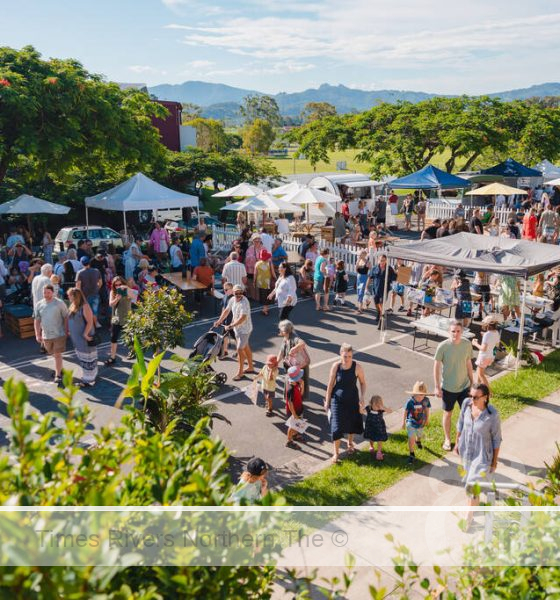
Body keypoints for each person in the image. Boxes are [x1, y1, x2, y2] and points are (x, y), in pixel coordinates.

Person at [455, 383, 502, 530]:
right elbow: (460, 423)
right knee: (469, 485)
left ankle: (468, 518)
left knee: (472, 485)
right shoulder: (466, 404)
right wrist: (457, 442)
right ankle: (471, 509)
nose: (472, 399)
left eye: (475, 397)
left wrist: (494, 462)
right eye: (470, 395)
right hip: (466, 452)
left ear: (485, 397)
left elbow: (497, 439)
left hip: (482, 456)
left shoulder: (492, 415)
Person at [433, 320, 474, 451]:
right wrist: (437, 387)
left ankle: (464, 438)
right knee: (447, 414)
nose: (455, 334)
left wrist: (473, 383)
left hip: (464, 387)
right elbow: (436, 367)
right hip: (448, 388)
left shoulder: (467, 344)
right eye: (453, 331)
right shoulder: (443, 346)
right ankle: (447, 439)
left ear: (462, 332)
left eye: (458, 331)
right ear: (448, 332)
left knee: (468, 414)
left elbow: (468, 363)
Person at [324, 343, 366, 464]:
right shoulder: (336, 366)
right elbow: (330, 384)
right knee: (336, 427)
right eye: (345, 356)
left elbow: (363, 383)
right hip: (337, 400)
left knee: (351, 423)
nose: (347, 359)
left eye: (349, 356)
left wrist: (362, 397)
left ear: (352, 356)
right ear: (340, 354)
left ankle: (350, 442)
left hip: (353, 399)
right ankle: (336, 453)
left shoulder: (357, 367)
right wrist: (327, 401)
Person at [214, 284, 253, 381]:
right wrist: (219, 321)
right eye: (237, 293)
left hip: (244, 330)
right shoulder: (232, 300)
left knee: (240, 349)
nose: (239, 294)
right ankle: (251, 367)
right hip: (237, 329)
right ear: (233, 293)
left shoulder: (245, 302)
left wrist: (231, 326)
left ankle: (240, 373)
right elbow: (226, 311)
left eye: (241, 293)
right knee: (246, 347)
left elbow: (242, 318)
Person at [33, 284, 69, 385]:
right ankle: (60, 369)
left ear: (53, 292)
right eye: (44, 292)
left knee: (57, 354)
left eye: (48, 292)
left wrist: (66, 330)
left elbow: (66, 317)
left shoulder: (59, 303)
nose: (46, 294)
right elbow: (37, 320)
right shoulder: (39, 304)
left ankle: (58, 375)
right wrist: (37, 334)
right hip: (46, 335)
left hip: (59, 334)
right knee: (52, 353)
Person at [67, 287, 98, 387]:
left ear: (75, 296)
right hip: (77, 338)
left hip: (84, 338)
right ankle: (92, 375)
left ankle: (88, 380)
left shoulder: (85, 306)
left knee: (88, 357)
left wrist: (85, 334)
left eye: (69, 295)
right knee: (84, 357)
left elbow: (90, 322)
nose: (68, 297)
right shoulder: (73, 305)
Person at [277, 319, 310, 401]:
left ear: (285, 331)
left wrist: (294, 348)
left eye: (280, 329)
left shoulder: (294, 338)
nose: (279, 330)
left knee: (299, 385)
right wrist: (276, 362)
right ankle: (290, 401)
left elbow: (302, 343)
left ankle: (298, 402)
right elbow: (281, 351)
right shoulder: (286, 337)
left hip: (299, 367)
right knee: (289, 384)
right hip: (290, 367)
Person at [403, 381, 432, 465]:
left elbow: (427, 409)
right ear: (414, 394)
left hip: (421, 422)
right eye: (418, 394)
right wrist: (403, 422)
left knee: (419, 434)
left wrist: (427, 419)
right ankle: (411, 454)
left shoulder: (426, 400)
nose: (420, 397)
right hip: (411, 422)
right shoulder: (410, 401)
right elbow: (406, 411)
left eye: (422, 395)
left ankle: (418, 441)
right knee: (411, 437)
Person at [105, 276, 132, 366]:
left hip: (127, 317)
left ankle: (133, 352)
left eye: (120, 284)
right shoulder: (113, 292)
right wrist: (117, 298)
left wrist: (127, 288)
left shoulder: (127, 290)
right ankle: (112, 357)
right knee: (113, 338)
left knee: (131, 337)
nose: (118, 286)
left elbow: (134, 297)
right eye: (116, 285)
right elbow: (110, 304)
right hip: (116, 318)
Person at [366, 254, 396, 326]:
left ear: (386, 260)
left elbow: (394, 279)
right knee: (376, 303)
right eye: (380, 260)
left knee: (382, 303)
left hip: (384, 290)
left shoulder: (389, 269)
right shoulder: (375, 268)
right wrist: (366, 288)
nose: (381, 262)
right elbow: (370, 277)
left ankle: (381, 318)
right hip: (375, 289)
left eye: (383, 260)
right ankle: (379, 312)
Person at [472, 316, 500, 387]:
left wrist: (475, 344)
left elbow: (483, 348)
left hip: (483, 357)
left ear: (487, 325)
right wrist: (493, 356)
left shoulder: (487, 335)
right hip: (490, 357)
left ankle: (489, 392)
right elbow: (496, 346)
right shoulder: (496, 333)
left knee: (481, 374)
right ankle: (477, 386)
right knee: (480, 372)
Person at [363, 394, 393, 460]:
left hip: (379, 427)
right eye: (375, 405)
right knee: (371, 437)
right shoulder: (369, 408)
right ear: (371, 403)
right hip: (370, 426)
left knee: (380, 439)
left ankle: (379, 452)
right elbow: (361, 411)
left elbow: (390, 411)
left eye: (378, 405)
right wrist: (360, 407)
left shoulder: (381, 409)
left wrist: (384, 407)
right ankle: (371, 446)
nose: (377, 406)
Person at [76, 256, 102, 326]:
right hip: (95, 293)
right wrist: (97, 288)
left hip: (84, 295)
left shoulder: (79, 273)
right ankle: (96, 323)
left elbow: (78, 287)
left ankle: (88, 325)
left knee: (86, 311)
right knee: (95, 310)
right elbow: (100, 283)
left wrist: (79, 296)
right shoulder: (96, 271)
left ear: (81, 263)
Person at [285, 365, 305, 450]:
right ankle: (289, 441)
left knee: (297, 424)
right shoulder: (290, 389)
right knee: (292, 426)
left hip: (299, 408)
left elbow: (301, 395)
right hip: (294, 411)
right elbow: (290, 403)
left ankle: (295, 435)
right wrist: (294, 414)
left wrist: (302, 385)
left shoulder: (296, 384)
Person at [254, 249, 275, 316]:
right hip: (268, 281)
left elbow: (255, 274)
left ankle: (265, 308)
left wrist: (254, 281)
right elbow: (273, 272)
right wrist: (276, 279)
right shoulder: (269, 262)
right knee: (267, 295)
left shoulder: (257, 263)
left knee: (263, 295)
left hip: (260, 282)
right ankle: (265, 309)